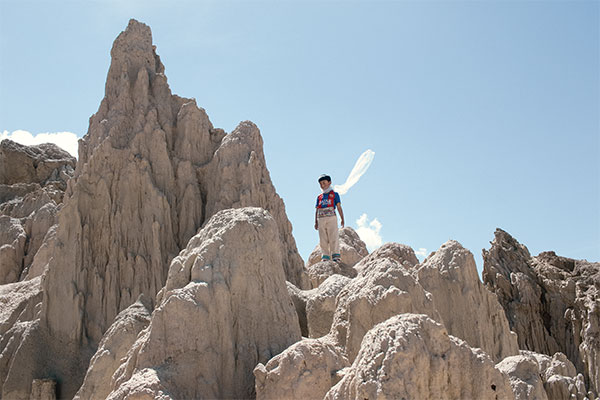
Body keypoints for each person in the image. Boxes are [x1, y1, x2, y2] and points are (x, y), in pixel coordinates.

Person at [314, 174, 345, 262]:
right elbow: (317, 209)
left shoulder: (334, 195)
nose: (322, 185)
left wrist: (342, 218)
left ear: (329, 182)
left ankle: (336, 256)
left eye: (324, 183)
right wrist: (316, 221)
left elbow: (339, 207)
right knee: (322, 238)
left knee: (333, 236)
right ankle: (325, 256)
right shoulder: (319, 197)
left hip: (331, 217)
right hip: (321, 218)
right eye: (320, 184)